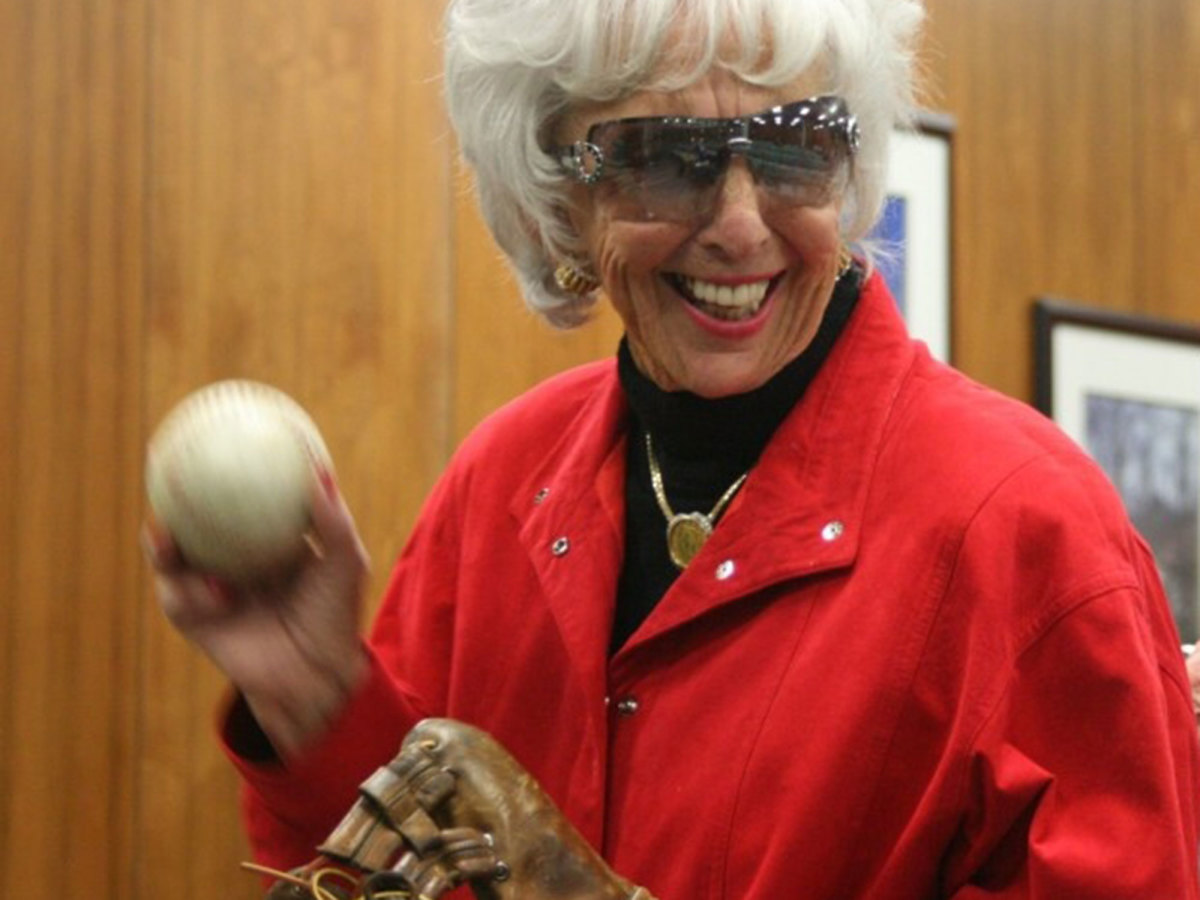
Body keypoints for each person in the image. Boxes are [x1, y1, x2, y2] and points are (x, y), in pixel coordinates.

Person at [144, 0, 1200, 896]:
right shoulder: (503, 483)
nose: (741, 226)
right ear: (557, 191)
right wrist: (318, 693)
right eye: (662, 159)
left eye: (796, 143)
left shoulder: (1022, 527)